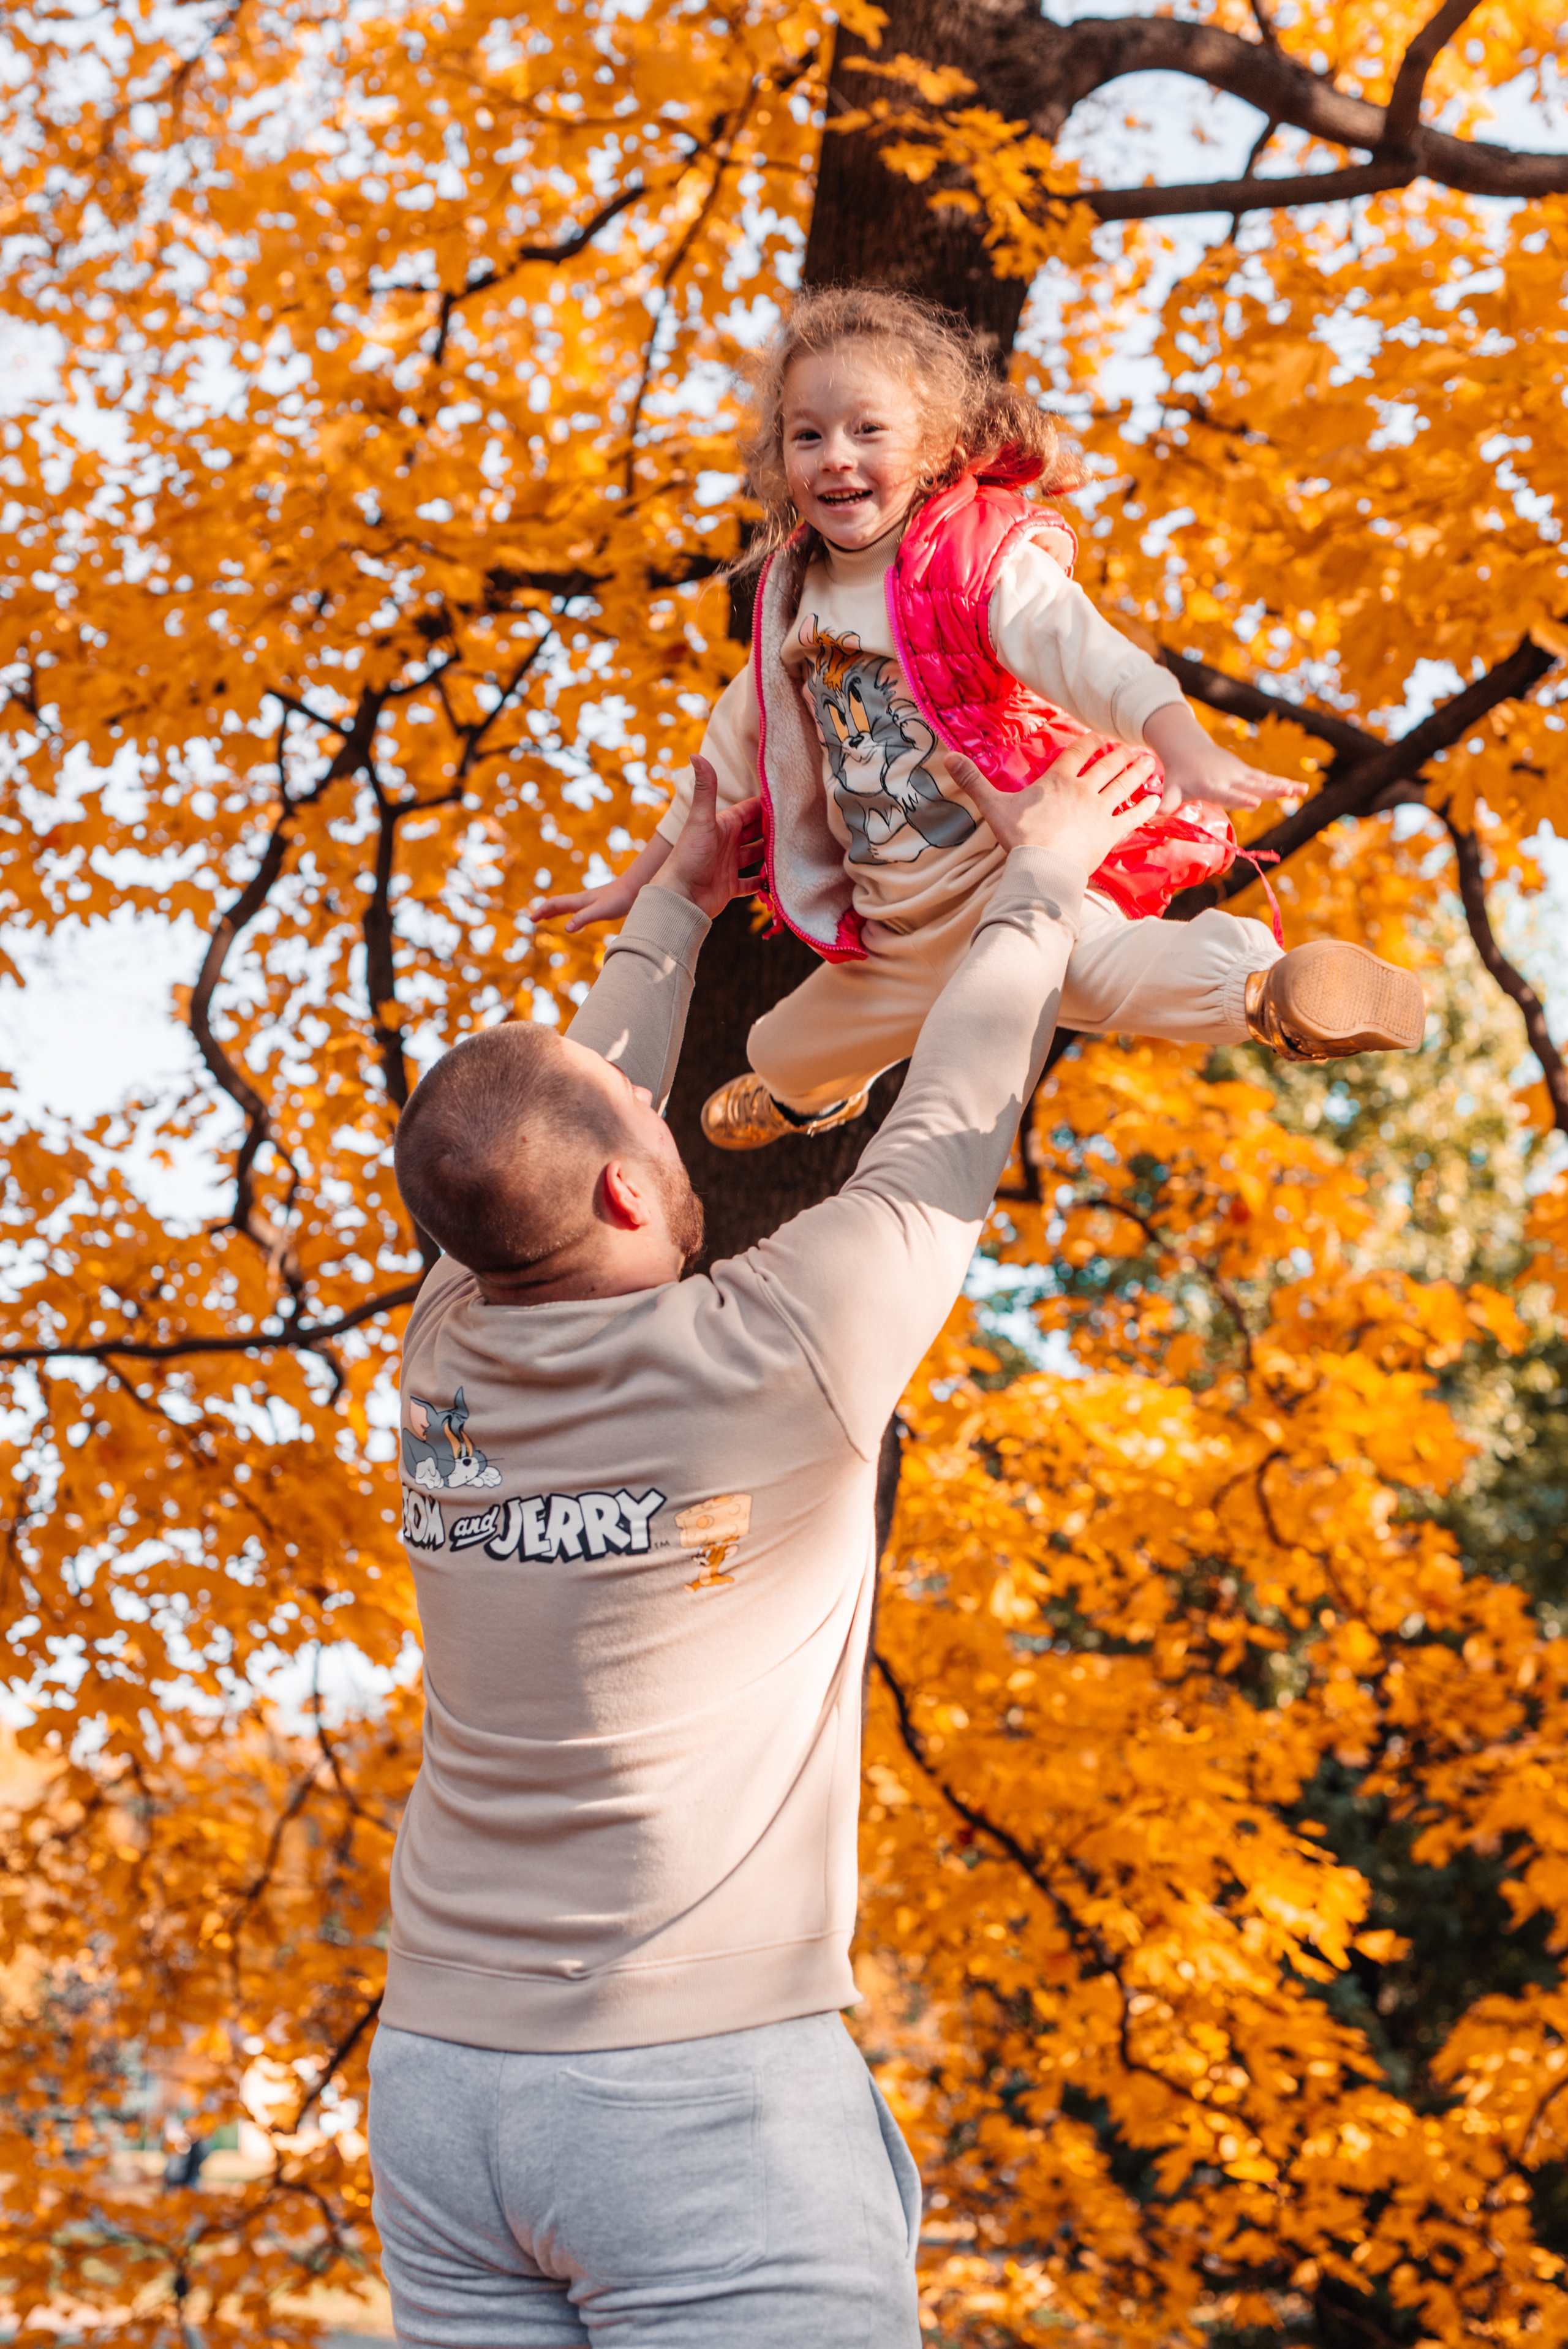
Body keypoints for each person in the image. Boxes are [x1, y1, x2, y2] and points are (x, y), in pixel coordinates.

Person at [371, 735, 1160, 2347]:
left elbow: (536, 1125)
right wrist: (1041, 877)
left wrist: (676, 900)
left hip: (441, 2088)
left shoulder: (444, 1342)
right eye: (652, 1130)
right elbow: (953, 1108)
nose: (669, 1124)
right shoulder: (774, 1351)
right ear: (619, 1195)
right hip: (694, 2097)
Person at [532, 287, 1425, 1150]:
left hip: (1018, 885)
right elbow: (720, 773)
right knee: (779, 1050)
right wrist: (642, 886)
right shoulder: (792, 609)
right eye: (808, 435)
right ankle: (804, 1102)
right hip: (898, 932)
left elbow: (1087, 652)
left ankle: (1272, 991)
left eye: (868, 430)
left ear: (937, 444)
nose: (835, 457)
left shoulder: (973, 562)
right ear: (780, 459)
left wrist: (1176, 737)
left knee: (1103, 973)